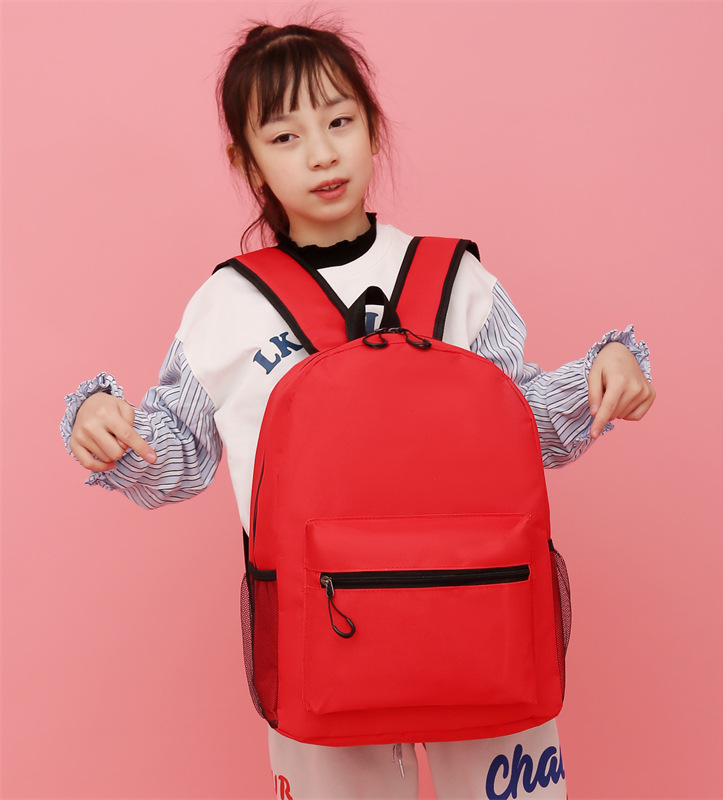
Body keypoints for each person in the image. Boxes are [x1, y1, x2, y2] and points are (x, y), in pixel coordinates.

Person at [61, 20, 655, 800]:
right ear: (247, 163)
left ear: (374, 128)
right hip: (319, 632)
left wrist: (604, 372)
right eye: (285, 136)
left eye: (339, 121)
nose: (321, 154)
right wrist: (106, 427)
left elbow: (528, 422)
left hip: (479, 611)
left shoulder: (456, 280)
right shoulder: (227, 307)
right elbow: (177, 454)